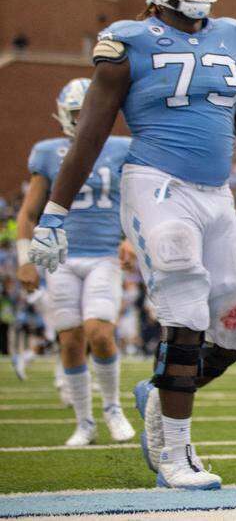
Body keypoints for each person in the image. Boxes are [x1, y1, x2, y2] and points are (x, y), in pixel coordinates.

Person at [26, 0, 236, 490]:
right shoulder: (128, 41)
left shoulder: (235, 37)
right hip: (156, 183)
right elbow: (90, 135)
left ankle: (157, 402)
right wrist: (54, 213)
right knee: (185, 307)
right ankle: (176, 455)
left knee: (234, 325)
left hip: (217, 192)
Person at [16, 78, 136, 446]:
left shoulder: (121, 149)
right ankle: (84, 421)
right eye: (75, 112)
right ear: (62, 114)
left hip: (103, 254)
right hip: (62, 258)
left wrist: (131, 237)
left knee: (99, 333)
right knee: (69, 340)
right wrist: (26, 259)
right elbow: (29, 212)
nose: (82, 118)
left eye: (88, 110)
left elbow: (137, 197)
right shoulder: (48, 152)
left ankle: (113, 408)